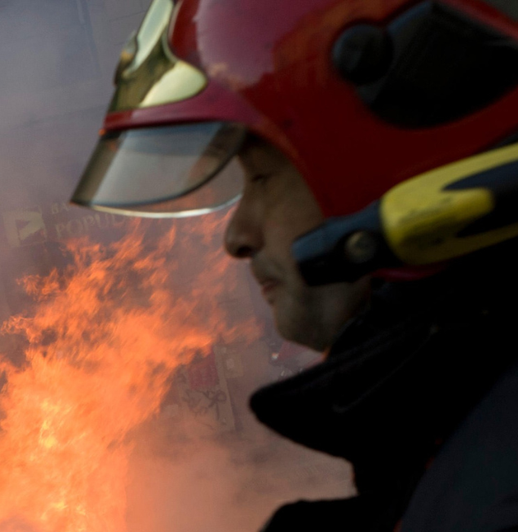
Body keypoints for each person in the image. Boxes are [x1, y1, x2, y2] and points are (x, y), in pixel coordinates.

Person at [70, 0, 518, 529]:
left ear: (373, 166)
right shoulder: (461, 447)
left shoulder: (493, 493)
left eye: (261, 179)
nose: (237, 237)